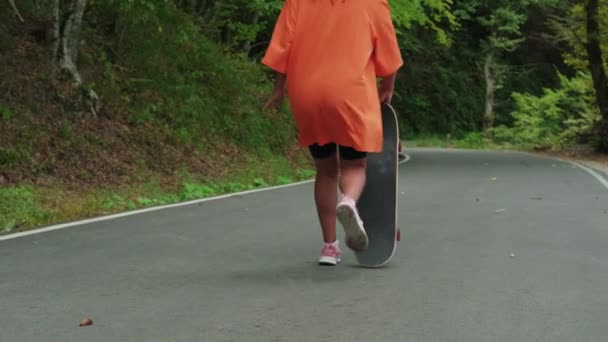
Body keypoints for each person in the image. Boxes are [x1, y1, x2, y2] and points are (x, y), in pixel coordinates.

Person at [262, 0, 403, 266]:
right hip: (350, 93)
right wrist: (387, 86)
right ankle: (348, 202)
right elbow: (389, 56)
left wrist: (278, 89)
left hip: (307, 94)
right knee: (354, 166)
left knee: (326, 170)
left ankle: (329, 247)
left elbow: (282, 49)